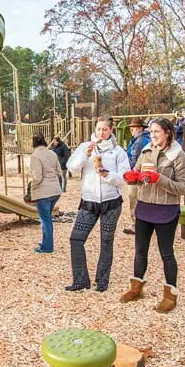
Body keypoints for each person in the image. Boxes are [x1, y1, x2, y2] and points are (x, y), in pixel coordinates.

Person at [120, 117, 185, 313]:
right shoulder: (146, 151)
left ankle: (170, 296)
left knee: (166, 253)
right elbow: (137, 173)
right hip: (144, 207)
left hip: (166, 209)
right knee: (140, 251)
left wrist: (159, 178)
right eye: (151, 132)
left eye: (156, 132)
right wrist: (131, 178)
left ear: (168, 133)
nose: (152, 135)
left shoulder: (179, 156)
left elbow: (183, 187)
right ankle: (136, 288)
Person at [65, 116, 130, 292]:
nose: (101, 132)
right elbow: (72, 168)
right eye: (99, 129)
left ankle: (102, 281)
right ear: (95, 129)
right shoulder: (85, 147)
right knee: (76, 239)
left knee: (106, 241)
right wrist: (85, 155)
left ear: (111, 131)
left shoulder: (118, 151)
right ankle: (80, 280)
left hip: (111, 203)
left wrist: (107, 175)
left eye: (105, 129)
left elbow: (124, 177)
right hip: (89, 201)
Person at [30, 133, 62, 254]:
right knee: (47, 218)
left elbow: (37, 177)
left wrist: (32, 187)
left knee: (45, 220)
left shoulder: (35, 156)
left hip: (43, 192)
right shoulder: (52, 153)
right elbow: (59, 172)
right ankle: (46, 242)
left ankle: (47, 247)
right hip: (55, 191)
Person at [125, 118, 151, 234]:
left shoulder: (139, 142)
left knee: (134, 198)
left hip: (136, 175)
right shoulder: (145, 139)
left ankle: (137, 225)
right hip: (145, 174)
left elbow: (134, 160)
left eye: (133, 128)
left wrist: (127, 170)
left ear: (140, 128)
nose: (131, 130)